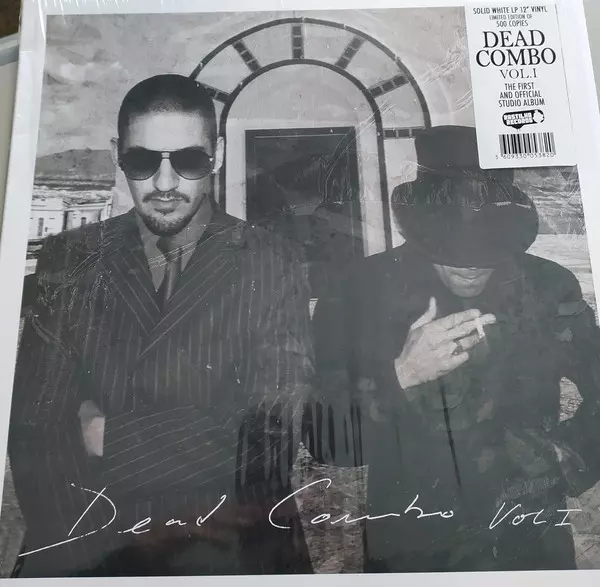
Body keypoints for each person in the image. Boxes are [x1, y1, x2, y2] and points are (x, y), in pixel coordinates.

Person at [9, 74, 313, 577]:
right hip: (90, 553)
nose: (165, 183)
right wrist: (93, 563)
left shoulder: (273, 262)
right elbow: (36, 436)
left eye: (188, 160)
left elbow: (270, 441)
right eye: (143, 161)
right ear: (117, 155)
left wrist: (108, 437)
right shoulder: (69, 259)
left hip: (234, 557)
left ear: (216, 154)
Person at [312, 125, 600, 572]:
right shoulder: (358, 289)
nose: (470, 264)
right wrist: (403, 373)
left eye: (488, 245)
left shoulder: (548, 284)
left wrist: (572, 455)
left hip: (532, 544)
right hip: (414, 550)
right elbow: (327, 442)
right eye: (451, 246)